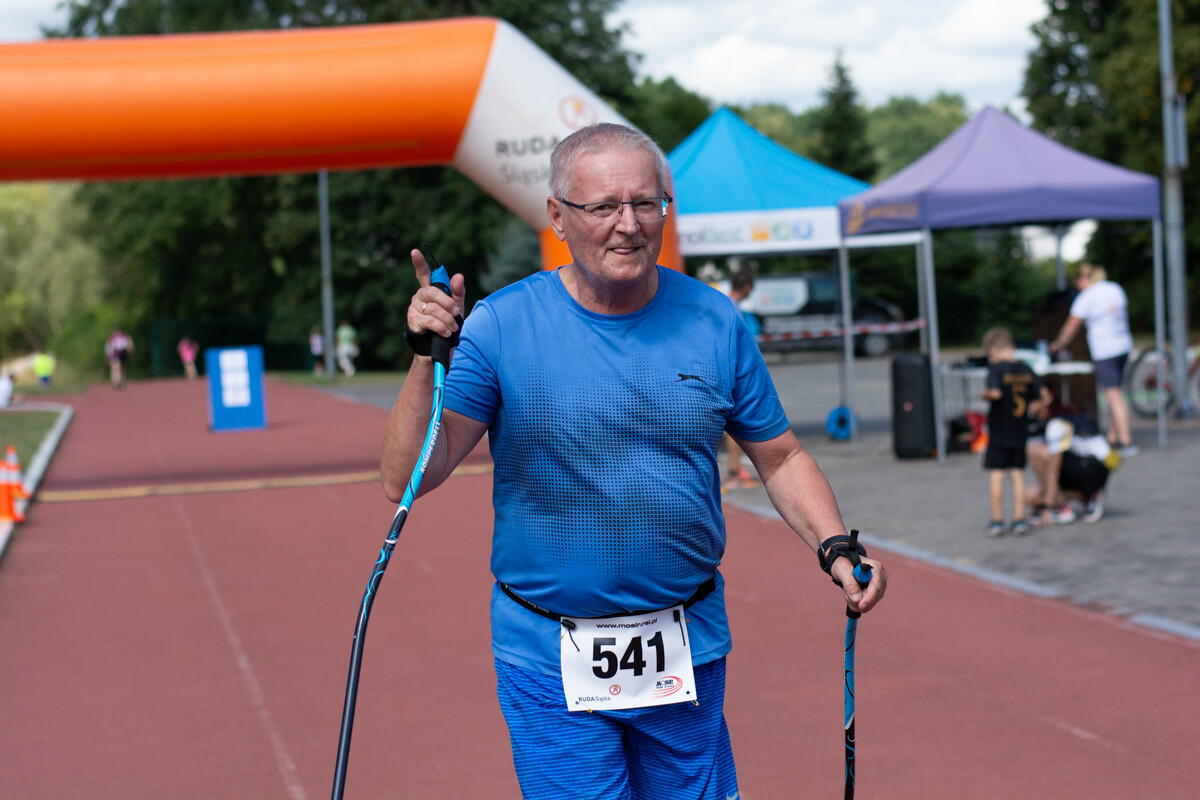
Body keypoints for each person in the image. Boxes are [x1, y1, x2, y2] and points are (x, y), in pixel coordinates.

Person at [382, 122, 887, 800]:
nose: (629, 225)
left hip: (685, 643)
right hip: (548, 653)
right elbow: (409, 474)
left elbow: (781, 455)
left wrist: (833, 546)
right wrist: (424, 357)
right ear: (558, 217)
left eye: (646, 204)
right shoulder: (502, 326)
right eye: (605, 207)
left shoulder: (715, 322)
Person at [1049, 263, 1137, 456]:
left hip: (1105, 350)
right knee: (1117, 394)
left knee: (1113, 396)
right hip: (1123, 346)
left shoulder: (1086, 297)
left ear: (1083, 279)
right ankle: (1113, 437)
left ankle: (1126, 441)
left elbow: (1071, 327)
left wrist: (1057, 344)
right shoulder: (1115, 288)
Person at [1026, 386, 1120, 526]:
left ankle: (1061, 506)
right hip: (1084, 464)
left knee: (1034, 451)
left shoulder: (1056, 424)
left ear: (1046, 401)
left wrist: (1047, 505)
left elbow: (1054, 467)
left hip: (1095, 467)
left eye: (1031, 400)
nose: (1027, 405)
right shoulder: (1049, 419)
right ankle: (1083, 497)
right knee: (1029, 496)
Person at [979, 327, 1041, 536]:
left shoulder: (996, 369)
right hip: (1020, 430)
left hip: (999, 431)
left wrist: (985, 394)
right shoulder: (1026, 369)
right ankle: (1019, 519)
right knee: (1018, 475)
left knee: (997, 474)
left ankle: (997, 520)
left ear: (994, 350)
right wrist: (1034, 408)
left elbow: (996, 393)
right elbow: (1041, 396)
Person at [722, 269, 762, 492]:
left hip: (729, 370)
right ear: (746, 286)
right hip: (731, 372)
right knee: (733, 425)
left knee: (732, 426)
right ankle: (734, 473)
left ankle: (735, 471)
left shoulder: (726, 304)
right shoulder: (732, 308)